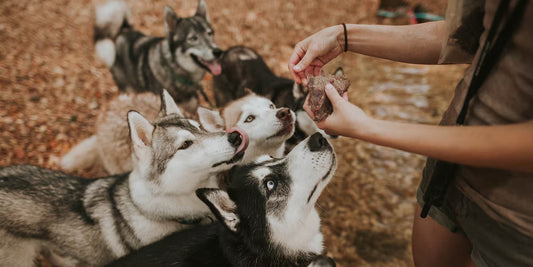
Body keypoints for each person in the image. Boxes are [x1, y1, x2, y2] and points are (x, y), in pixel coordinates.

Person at [288, 1, 533, 266]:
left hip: (518, 223)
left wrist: (368, 128)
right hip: (447, 175)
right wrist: (342, 37)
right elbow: (469, 36)